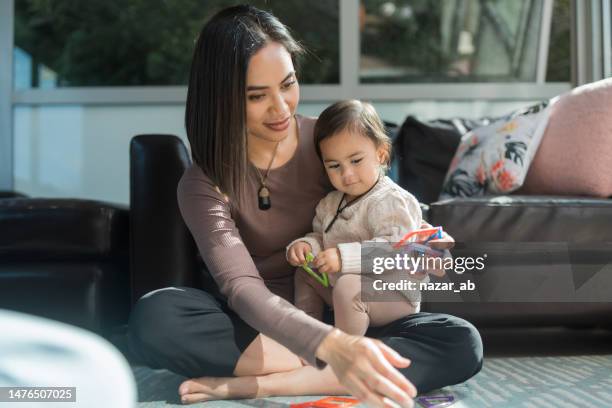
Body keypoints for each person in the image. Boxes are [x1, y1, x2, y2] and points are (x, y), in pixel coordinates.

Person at [127, 5, 483, 407]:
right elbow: (242, 288)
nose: (281, 108)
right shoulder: (203, 182)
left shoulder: (332, 145)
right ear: (221, 98)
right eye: (257, 96)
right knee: (156, 317)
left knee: (460, 339)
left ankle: (267, 382)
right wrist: (329, 343)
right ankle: (346, 367)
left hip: (354, 313)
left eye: (288, 84)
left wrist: (423, 247)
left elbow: (391, 218)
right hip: (263, 323)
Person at [286, 99, 431, 337]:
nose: (347, 174)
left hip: (393, 295)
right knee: (306, 274)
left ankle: (347, 352)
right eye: (334, 166)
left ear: (381, 155)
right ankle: (308, 336)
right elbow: (320, 236)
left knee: (349, 285)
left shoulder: (391, 200)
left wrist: (343, 258)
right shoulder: (330, 203)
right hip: (343, 289)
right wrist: (306, 247)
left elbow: (394, 250)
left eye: (356, 161)